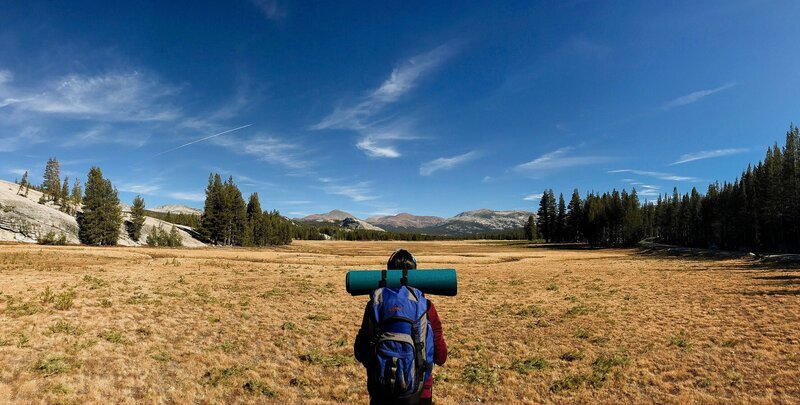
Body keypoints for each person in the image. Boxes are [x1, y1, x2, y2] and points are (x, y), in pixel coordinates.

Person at [354, 249, 448, 405]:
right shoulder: (426, 307)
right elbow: (441, 357)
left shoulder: (375, 305)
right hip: (418, 394)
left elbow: (360, 352)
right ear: (415, 275)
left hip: (381, 391)